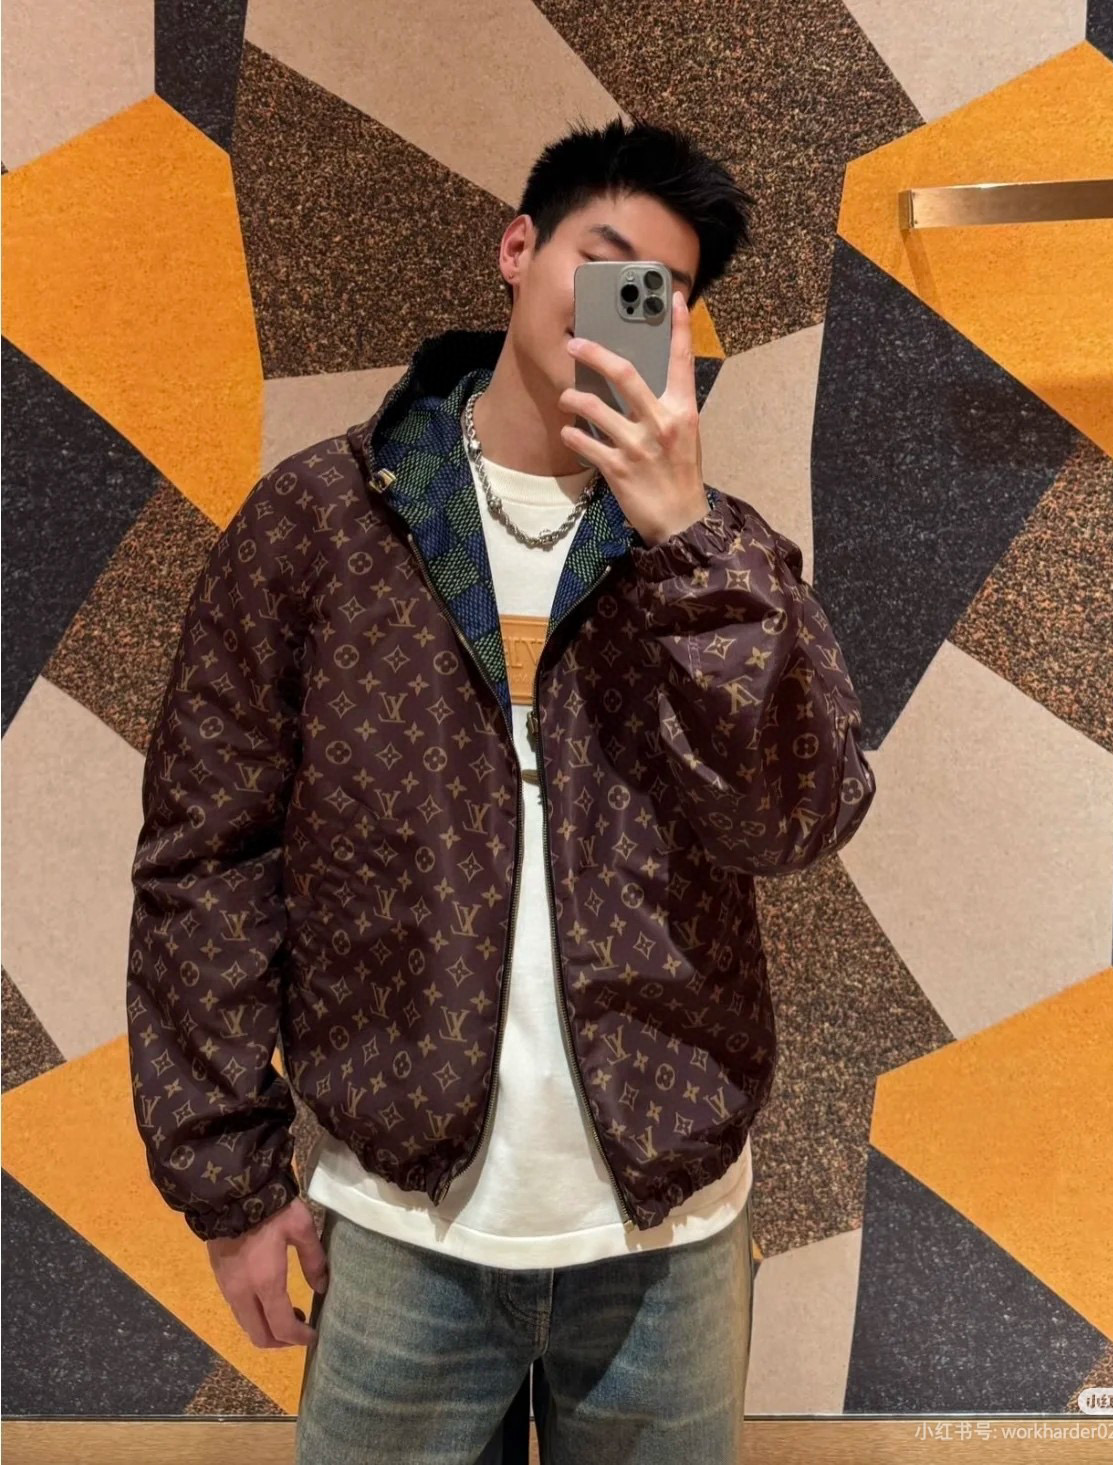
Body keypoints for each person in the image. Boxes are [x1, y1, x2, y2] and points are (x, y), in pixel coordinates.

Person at [125, 115, 877, 1464]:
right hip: (400, 1218)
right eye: (604, 259)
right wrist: (227, 1181)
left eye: (661, 292)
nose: (622, 305)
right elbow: (206, 857)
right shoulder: (323, 524)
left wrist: (686, 541)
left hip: (665, 1229)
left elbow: (798, 819)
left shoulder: (725, 555)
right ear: (518, 250)